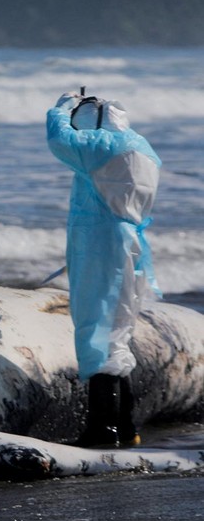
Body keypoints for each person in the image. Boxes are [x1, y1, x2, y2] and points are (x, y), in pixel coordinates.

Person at [46, 91, 161, 447]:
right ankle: (127, 428)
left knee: (97, 332)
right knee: (118, 332)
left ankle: (103, 431)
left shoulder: (102, 145)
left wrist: (59, 108)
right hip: (128, 244)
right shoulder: (140, 147)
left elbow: (59, 139)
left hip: (101, 244)